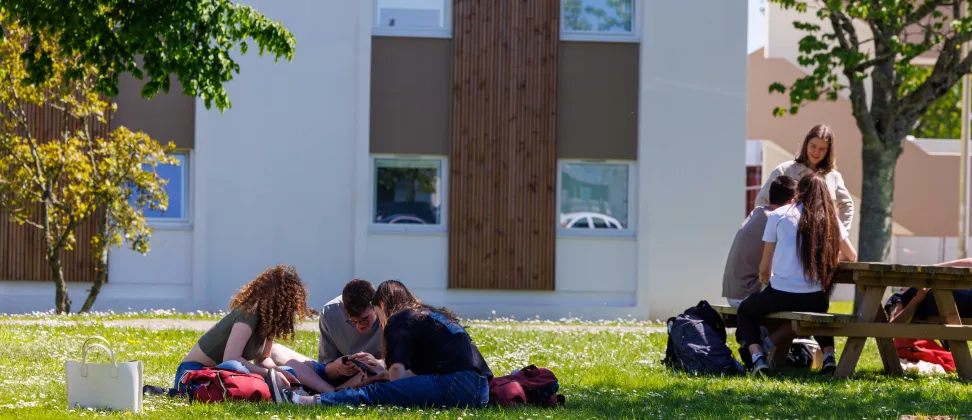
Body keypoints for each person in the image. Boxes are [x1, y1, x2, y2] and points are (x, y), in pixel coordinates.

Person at [282, 280, 493, 408]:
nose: (381, 321)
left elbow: (397, 380)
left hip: (456, 383)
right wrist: (382, 370)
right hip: (480, 391)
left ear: (382, 305)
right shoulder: (428, 315)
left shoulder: (399, 319)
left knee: (378, 393)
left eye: (377, 312)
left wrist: (380, 374)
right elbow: (423, 373)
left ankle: (310, 401)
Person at [736, 173, 858, 376]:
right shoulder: (830, 219)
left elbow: (765, 267)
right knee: (818, 315)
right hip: (816, 298)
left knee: (746, 310)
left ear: (798, 192)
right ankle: (829, 355)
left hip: (781, 295)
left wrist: (766, 280)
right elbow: (851, 256)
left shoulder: (778, 215)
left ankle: (757, 357)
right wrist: (824, 257)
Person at [172, 265, 318, 401]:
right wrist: (269, 374)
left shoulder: (269, 320)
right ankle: (284, 394)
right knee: (236, 368)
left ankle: (288, 394)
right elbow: (230, 359)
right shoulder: (249, 313)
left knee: (287, 370)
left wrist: (278, 372)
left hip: (223, 373)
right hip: (195, 373)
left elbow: (263, 359)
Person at [269, 278, 383, 393]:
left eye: (365, 319)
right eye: (353, 322)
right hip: (338, 378)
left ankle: (331, 393)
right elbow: (326, 368)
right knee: (275, 351)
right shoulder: (331, 312)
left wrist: (375, 362)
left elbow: (392, 367)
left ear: (375, 307)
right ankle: (331, 392)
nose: (359, 326)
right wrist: (338, 367)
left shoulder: (388, 312)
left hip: (375, 374)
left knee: (377, 371)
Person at [754, 123, 854, 232]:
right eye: (813, 146)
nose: (816, 152)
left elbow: (847, 205)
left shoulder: (834, 177)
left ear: (828, 151)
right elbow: (762, 201)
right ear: (806, 144)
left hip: (821, 238)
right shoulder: (784, 170)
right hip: (788, 237)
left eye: (822, 149)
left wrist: (840, 233)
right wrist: (772, 230)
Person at [723, 175, 798, 308]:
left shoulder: (758, 212)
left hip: (735, 293)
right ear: (791, 202)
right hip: (748, 294)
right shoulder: (777, 220)